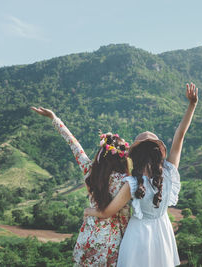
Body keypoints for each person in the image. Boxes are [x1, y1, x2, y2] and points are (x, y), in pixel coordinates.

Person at [84, 82, 199, 267]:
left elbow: (106, 212)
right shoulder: (169, 172)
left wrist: (87, 211)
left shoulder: (133, 184)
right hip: (163, 234)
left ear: (135, 156)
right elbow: (180, 135)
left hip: (138, 238)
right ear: (158, 152)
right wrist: (192, 104)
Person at [31, 107, 131, 266]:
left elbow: (74, 144)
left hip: (88, 236)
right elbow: (126, 214)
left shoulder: (90, 172)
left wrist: (54, 118)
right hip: (113, 242)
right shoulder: (126, 181)